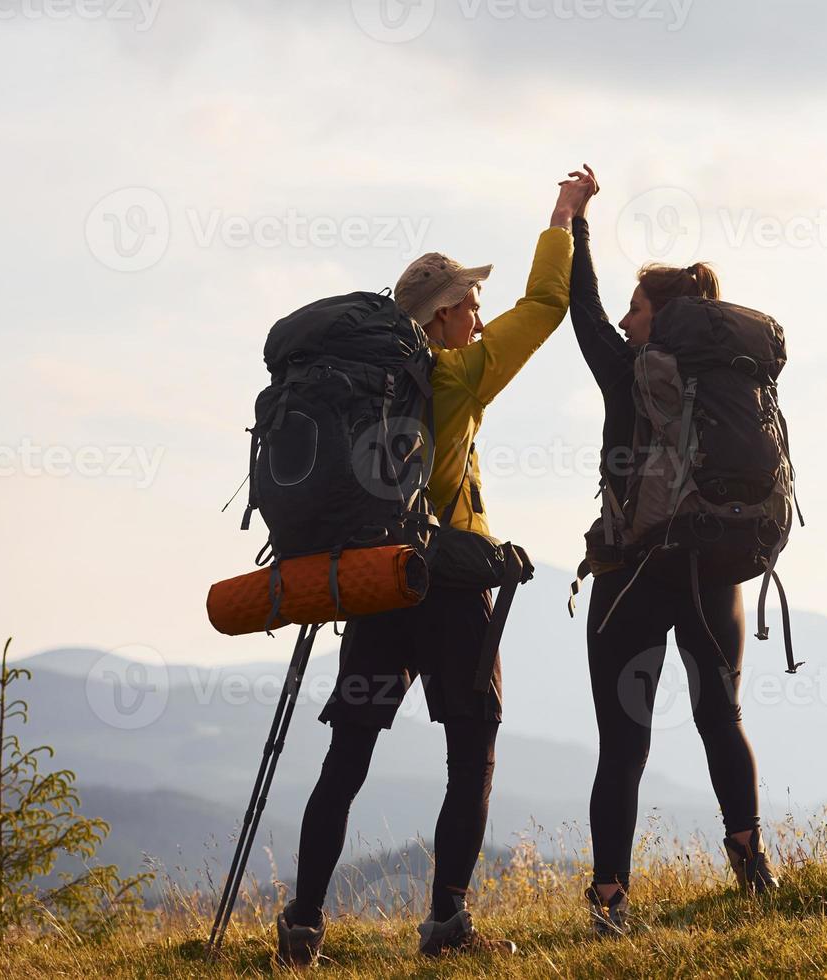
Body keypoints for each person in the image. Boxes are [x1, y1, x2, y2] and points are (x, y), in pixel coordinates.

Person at [275, 171, 595, 965]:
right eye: (470, 305)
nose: (479, 315)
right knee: (472, 744)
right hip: (448, 591)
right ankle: (447, 920)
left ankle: (302, 922)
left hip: (377, 585)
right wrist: (561, 220)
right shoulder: (456, 378)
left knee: (346, 757)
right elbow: (545, 309)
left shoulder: (367, 393)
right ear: (445, 317)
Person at [566, 166, 778, 938]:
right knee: (721, 718)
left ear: (659, 319)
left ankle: (612, 900)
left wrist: (571, 222)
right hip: (715, 570)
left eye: (636, 308)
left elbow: (576, 306)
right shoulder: (726, 384)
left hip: (632, 577)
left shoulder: (627, 375)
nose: (623, 321)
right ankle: (754, 866)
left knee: (624, 744)